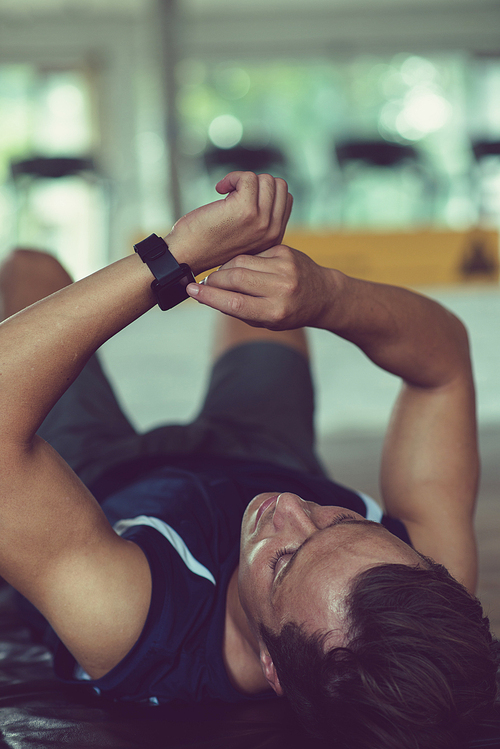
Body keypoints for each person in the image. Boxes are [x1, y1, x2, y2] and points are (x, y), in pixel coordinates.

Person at [0, 171, 497, 749]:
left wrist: (173, 258)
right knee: (264, 272)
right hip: (263, 449)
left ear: (272, 667)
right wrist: (332, 296)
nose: (290, 509)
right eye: (343, 519)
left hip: (99, 476)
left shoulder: (132, 622)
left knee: (31, 266)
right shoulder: (422, 575)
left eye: (284, 560)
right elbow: (443, 368)